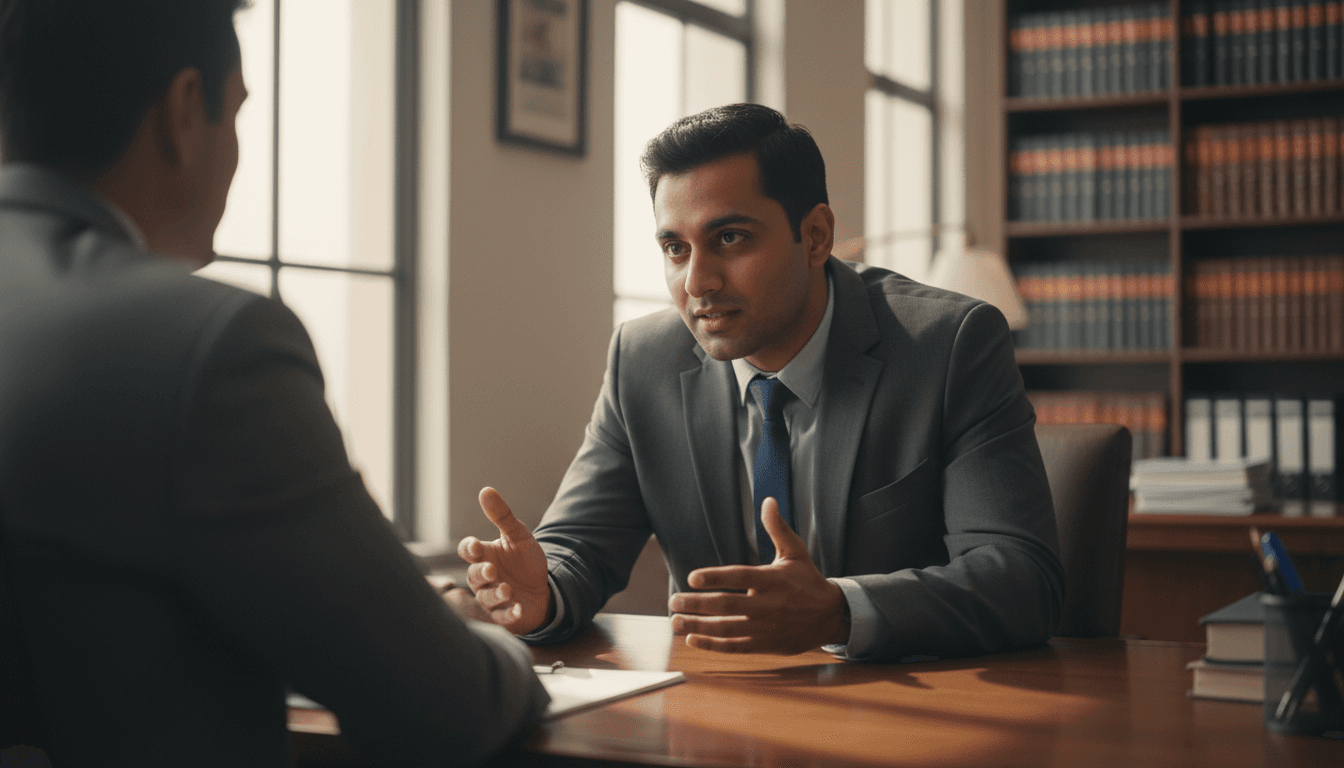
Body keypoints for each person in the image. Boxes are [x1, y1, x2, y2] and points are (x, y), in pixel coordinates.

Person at [0, 1, 546, 765]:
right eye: (237, 114)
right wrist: (478, 639)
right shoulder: (209, 346)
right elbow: (449, 707)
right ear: (185, 109)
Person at [459, 103, 1065, 662]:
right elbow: (578, 548)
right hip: (717, 707)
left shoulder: (948, 345)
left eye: (730, 239)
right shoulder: (642, 361)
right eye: (675, 248)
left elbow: (1022, 579)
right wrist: (542, 593)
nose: (697, 282)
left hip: (919, 708)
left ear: (816, 236)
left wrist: (839, 610)